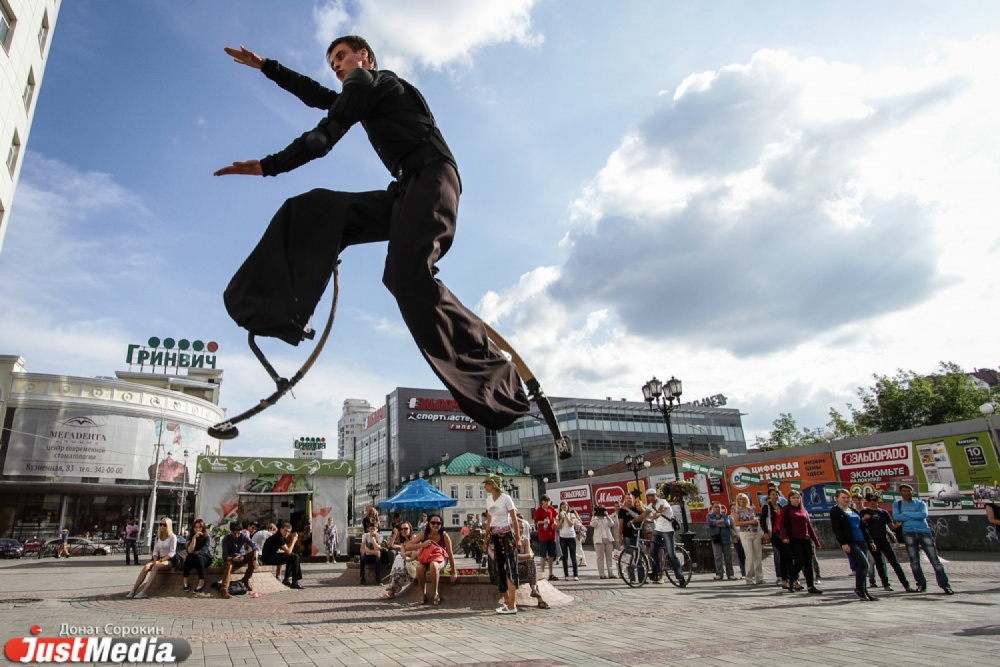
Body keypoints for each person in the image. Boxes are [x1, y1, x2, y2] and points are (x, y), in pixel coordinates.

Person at [214, 37, 531, 431]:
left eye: (341, 57)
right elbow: (320, 98)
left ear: (364, 56)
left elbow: (323, 135)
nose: (336, 66)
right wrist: (268, 67)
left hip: (433, 178)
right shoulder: (362, 95)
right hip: (405, 189)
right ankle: (277, 310)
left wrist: (270, 165)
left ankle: (493, 372)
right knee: (316, 209)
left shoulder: (380, 82)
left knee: (405, 272)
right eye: (331, 62)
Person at [892, 484, 953, 594]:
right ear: (900, 492)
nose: (906, 493)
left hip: (924, 532)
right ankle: (921, 584)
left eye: (908, 491)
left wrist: (905, 514)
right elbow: (896, 517)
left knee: (935, 560)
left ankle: (945, 585)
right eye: (904, 491)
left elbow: (923, 515)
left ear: (912, 492)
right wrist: (915, 514)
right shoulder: (897, 503)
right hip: (908, 533)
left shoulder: (920, 503)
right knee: (914, 561)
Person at [830, 489, 878, 602]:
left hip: (861, 540)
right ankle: (859, 589)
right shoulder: (836, 511)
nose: (846, 500)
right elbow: (836, 529)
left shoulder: (852, 510)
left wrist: (870, 541)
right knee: (864, 564)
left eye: (848, 497)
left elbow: (862, 527)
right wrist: (843, 543)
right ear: (837, 498)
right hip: (850, 542)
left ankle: (864, 591)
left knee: (862, 567)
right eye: (843, 498)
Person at [482, 474, 520, 614]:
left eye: (487, 484)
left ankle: (512, 605)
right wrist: (486, 536)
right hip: (494, 536)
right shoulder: (488, 500)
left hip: (506, 536)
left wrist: (518, 538)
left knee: (510, 567)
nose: (485, 487)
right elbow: (489, 520)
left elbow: (514, 519)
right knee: (497, 569)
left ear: (493, 485)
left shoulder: (506, 498)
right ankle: (506, 601)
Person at [860, 493, 912, 592]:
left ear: (878, 500)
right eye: (870, 500)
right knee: (879, 563)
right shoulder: (864, 511)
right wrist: (863, 519)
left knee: (894, 562)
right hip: (872, 541)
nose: (872, 502)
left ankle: (906, 585)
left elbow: (891, 526)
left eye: (874, 500)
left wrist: (898, 524)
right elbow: (860, 525)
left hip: (884, 540)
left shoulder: (883, 512)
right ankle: (885, 584)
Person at [778, 491, 822, 594]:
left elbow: (809, 527)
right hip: (793, 539)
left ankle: (811, 586)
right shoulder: (786, 509)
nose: (796, 500)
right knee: (799, 561)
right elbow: (781, 524)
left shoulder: (803, 510)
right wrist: (784, 536)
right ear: (789, 499)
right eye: (794, 498)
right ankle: (791, 578)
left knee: (808, 563)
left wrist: (816, 542)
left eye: (798, 498)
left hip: (805, 539)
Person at [641, 487, 685, 586]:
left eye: (652, 495)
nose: (651, 497)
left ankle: (680, 577)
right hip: (658, 530)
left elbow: (660, 511)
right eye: (649, 496)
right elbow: (643, 515)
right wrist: (632, 521)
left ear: (656, 495)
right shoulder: (650, 506)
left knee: (671, 554)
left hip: (668, 530)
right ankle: (655, 573)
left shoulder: (663, 502)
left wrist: (651, 518)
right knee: (653, 552)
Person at [126, 517, 177, 599]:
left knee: (155, 567)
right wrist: (155, 559)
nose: (162, 526)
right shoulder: (158, 537)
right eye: (161, 524)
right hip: (158, 559)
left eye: (164, 525)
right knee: (146, 567)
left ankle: (144, 591)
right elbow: (155, 551)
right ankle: (133, 590)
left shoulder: (172, 537)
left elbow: (172, 552)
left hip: (168, 560)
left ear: (169, 526)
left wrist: (161, 561)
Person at [414, 513, 457, 606]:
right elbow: (410, 545)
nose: (435, 525)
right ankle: (423, 594)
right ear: (428, 523)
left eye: (438, 523)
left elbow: (450, 554)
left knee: (434, 565)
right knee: (419, 567)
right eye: (433, 523)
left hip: (441, 558)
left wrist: (454, 572)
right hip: (427, 558)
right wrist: (421, 545)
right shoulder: (424, 534)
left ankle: (435, 593)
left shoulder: (444, 536)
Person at [218, 521, 258, 599]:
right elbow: (225, 556)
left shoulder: (243, 536)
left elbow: (255, 547)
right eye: (234, 534)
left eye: (238, 533)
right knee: (228, 564)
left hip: (241, 557)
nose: (237, 535)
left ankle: (246, 579)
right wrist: (233, 558)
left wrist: (255, 559)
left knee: (253, 555)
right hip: (231, 559)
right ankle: (224, 589)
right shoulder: (226, 539)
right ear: (231, 532)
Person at [732, 493, 764, 585]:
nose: (742, 501)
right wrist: (750, 522)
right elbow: (736, 523)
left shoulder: (751, 509)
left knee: (758, 556)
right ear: (738, 501)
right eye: (740, 499)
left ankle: (759, 578)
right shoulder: (737, 510)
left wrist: (756, 521)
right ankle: (749, 578)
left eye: (744, 499)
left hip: (755, 533)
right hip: (745, 534)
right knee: (749, 556)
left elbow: (755, 518)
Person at [262, 523, 305, 589]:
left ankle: (286, 579)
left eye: (288, 532)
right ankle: (295, 582)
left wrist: (292, 540)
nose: (287, 533)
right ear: (281, 529)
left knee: (291, 556)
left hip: (270, 556)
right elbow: (288, 551)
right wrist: (293, 541)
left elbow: (287, 550)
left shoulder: (279, 536)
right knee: (295, 557)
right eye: (285, 530)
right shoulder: (278, 537)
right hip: (269, 559)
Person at [515, 527, 549, 609]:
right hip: (514, 568)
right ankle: (539, 599)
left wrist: (525, 556)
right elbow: (513, 557)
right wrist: (526, 556)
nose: (520, 529)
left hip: (526, 567)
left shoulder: (525, 540)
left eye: (522, 527)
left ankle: (534, 590)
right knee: (532, 568)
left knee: (532, 564)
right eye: (519, 527)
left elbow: (529, 556)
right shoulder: (511, 540)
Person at [382, 521, 418, 600]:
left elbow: (417, 554)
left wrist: (408, 555)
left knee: (399, 558)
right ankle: (391, 590)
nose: (403, 531)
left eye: (406, 529)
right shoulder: (403, 542)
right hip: (407, 562)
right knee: (399, 561)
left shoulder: (415, 538)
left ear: (410, 529)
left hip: (416, 563)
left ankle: (391, 589)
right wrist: (408, 555)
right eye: (401, 529)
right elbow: (403, 554)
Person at [760, 488, 788, 587]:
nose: (775, 496)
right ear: (769, 496)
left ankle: (786, 575)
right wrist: (766, 532)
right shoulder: (767, 507)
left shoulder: (781, 506)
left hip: (783, 533)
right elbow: (762, 520)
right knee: (778, 554)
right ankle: (779, 576)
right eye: (773, 494)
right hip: (774, 533)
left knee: (785, 554)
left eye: (776, 494)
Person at [181, 518, 212, 593]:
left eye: (200, 527)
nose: (198, 529)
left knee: (199, 557)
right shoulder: (189, 537)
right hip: (193, 559)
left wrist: (195, 553)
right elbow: (189, 551)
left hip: (205, 558)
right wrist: (194, 538)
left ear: (203, 528)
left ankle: (201, 582)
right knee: (189, 556)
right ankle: (185, 581)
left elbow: (204, 551)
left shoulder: (206, 537)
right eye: (196, 527)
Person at [707, 501, 736, 580]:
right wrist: (719, 521)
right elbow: (710, 523)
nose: (717, 508)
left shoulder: (725, 516)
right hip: (716, 539)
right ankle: (719, 574)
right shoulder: (709, 516)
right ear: (712, 508)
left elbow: (727, 524)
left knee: (728, 557)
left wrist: (717, 523)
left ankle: (730, 574)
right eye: (716, 507)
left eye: (719, 507)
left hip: (726, 538)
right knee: (718, 557)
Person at [534, 495, 559, 581]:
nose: (547, 503)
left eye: (548, 501)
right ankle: (542, 573)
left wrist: (558, 519)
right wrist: (543, 521)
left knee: (551, 554)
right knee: (543, 554)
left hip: (551, 534)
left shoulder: (550, 508)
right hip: (543, 535)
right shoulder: (539, 510)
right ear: (542, 502)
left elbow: (556, 515)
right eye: (545, 501)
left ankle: (551, 573)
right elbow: (536, 521)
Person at [590, 505, 616, 579]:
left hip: (608, 539)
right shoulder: (595, 519)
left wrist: (607, 516)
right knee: (600, 557)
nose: (600, 513)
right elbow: (593, 524)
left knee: (609, 557)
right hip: (599, 540)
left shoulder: (606, 518)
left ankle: (611, 573)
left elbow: (611, 524)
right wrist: (594, 516)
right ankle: (602, 574)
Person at [556, 501, 579, 581]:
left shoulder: (572, 515)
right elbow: (559, 526)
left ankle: (575, 574)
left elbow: (571, 524)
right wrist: (561, 519)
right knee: (564, 556)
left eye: (565, 507)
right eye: (562, 507)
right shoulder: (558, 516)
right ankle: (566, 574)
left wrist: (566, 516)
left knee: (573, 556)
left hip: (571, 537)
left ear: (568, 507)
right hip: (563, 537)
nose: (564, 508)